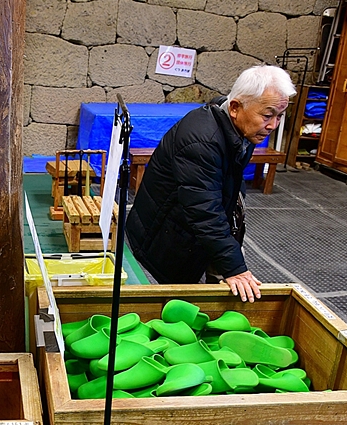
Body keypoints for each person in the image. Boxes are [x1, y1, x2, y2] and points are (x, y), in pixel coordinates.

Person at [125, 65, 296, 302]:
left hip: (190, 233)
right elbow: (204, 211)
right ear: (235, 107)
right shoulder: (202, 141)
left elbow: (225, 187)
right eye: (267, 115)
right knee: (170, 306)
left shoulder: (235, 127)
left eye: (279, 116)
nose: (273, 125)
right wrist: (234, 268)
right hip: (165, 237)